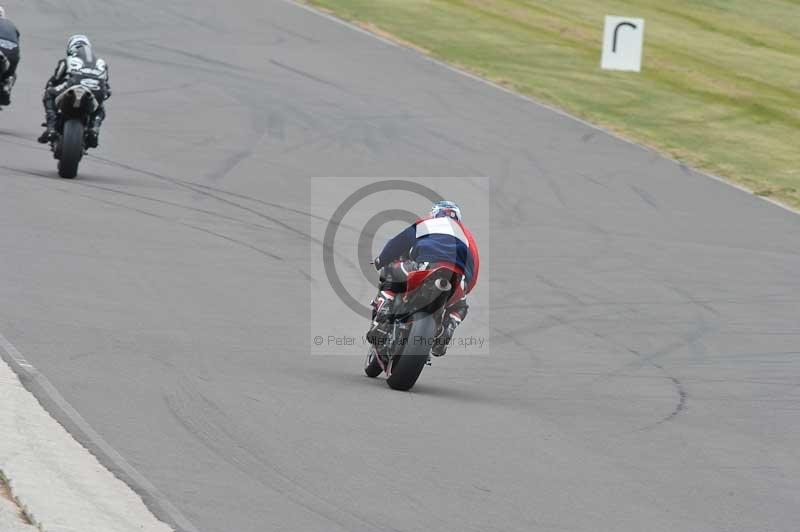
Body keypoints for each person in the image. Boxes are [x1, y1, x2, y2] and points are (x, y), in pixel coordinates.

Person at [367, 200, 480, 357]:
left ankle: (383, 316)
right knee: (459, 306)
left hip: (427, 266)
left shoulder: (429, 223)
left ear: (435, 213)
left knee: (392, 269)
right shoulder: (467, 235)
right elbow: (475, 266)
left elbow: (399, 242)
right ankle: (446, 330)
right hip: (457, 277)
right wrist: (466, 287)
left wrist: (381, 260)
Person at [38, 35, 111, 146]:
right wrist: (104, 94)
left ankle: (51, 128)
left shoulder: (67, 60)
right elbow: (106, 87)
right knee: (100, 107)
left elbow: (55, 80)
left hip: (74, 86)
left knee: (49, 93)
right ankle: (94, 129)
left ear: (70, 48)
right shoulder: (102, 63)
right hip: (96, 90)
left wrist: (49, 87)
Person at [0, 6, 20, 106]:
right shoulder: (10, 24)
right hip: (13, 53)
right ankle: (8, 81)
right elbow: (17, 37)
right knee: (11, 73)